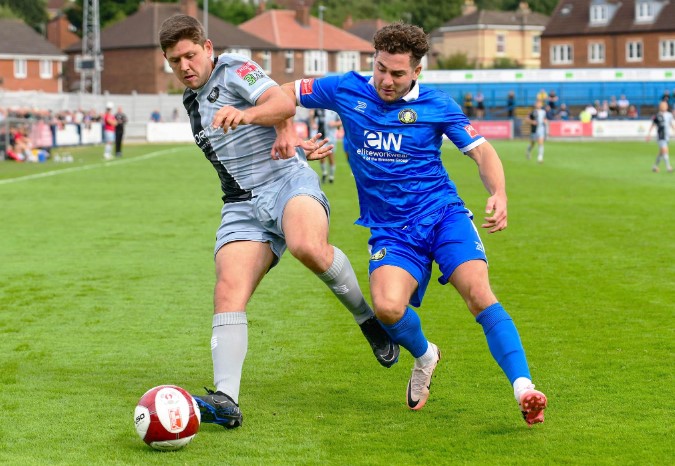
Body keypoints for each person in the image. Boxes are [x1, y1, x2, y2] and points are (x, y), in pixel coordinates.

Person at [274, 22, 547, 425]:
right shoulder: (346, 88)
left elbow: (483, 152)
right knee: (386, 308)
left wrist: (499, 193)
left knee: (478, 294)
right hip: (391, 230)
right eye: (381, 68)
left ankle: (524, 388)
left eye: (398, 73)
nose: (386, 80)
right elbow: (281, 92)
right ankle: (425, 356)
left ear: (417, 71)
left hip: (442, 216)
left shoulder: (438, 105)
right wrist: (288, 131)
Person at [157, 14, 398, 430]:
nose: (184, 66)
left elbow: (281, 100)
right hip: (241, 205)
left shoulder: (235, 69)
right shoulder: (191, 103)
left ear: (208, 48)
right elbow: (246, 146)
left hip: (287, 180)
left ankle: (367, 320)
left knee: (307, 246)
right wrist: (288, 134)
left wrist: (258, 119)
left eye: (190, 55)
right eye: (174, 60)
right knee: (227, 289)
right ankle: (226, 400)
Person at [646, 101, 674, 173]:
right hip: (661, 136)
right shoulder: (657, 115)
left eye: (665, 105)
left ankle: (655, 166)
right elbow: (653, 125)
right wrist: (649, 134)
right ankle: (668, 167)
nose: (664, 107)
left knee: (661, 153)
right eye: (662, 105)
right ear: (660, 107)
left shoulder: (669, 115)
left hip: (667, 136)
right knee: (665, 151)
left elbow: (671, 124)